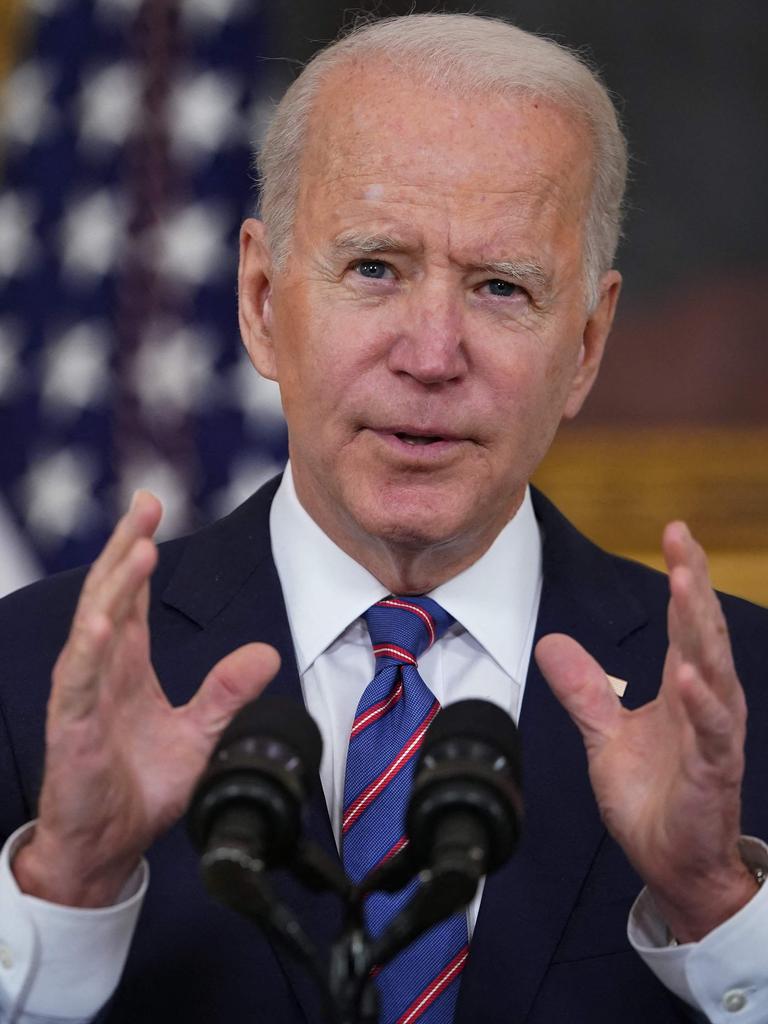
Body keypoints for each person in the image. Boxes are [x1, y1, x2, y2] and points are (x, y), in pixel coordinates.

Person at [0, 12, 766, 1024]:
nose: (432, 353)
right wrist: (67, 890)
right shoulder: (26, 679)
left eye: (501, 287)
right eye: (375, 269)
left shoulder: (744, 703)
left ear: (585, 344)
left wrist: (718, 907)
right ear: (263, 299)